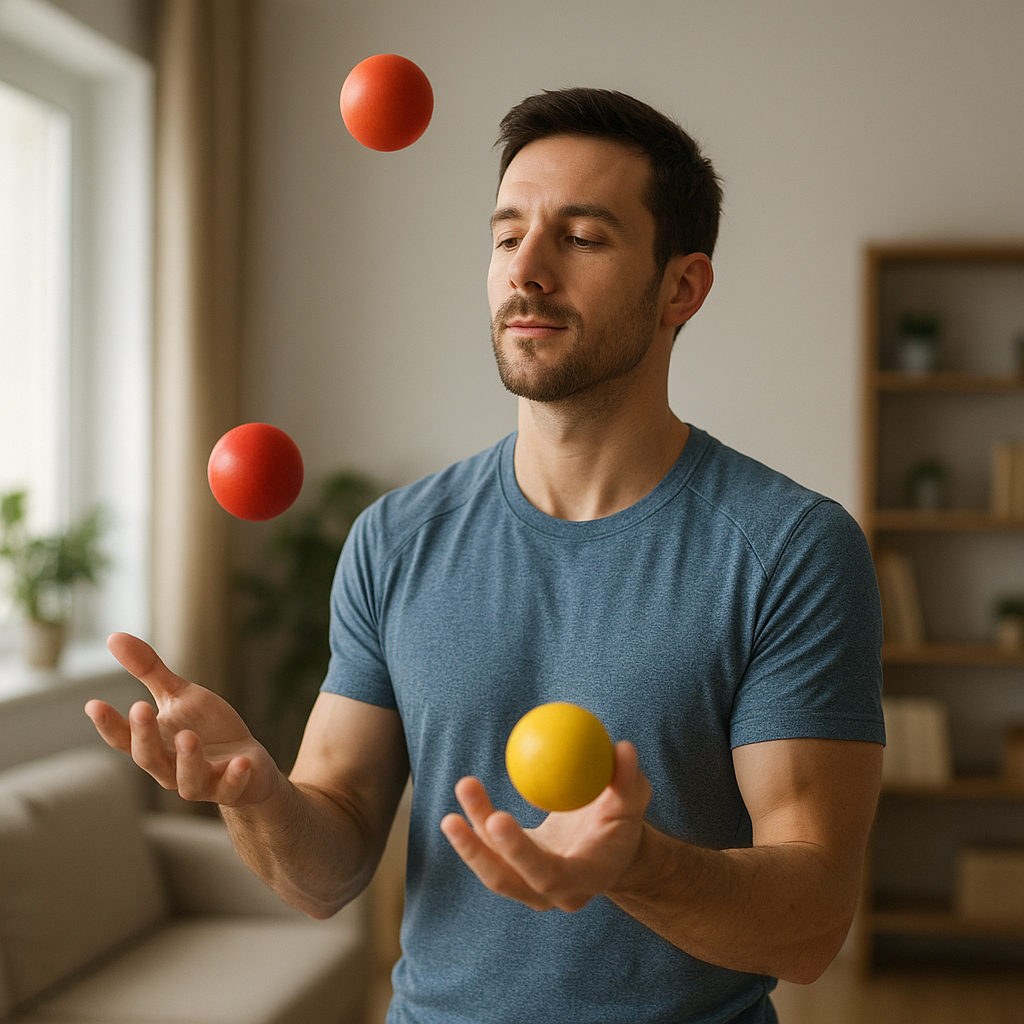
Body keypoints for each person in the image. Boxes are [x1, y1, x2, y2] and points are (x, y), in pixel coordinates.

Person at [87, 88, 885, 1024]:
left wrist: (637, 864)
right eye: (508, 237)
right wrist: (258, 796)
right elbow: (324, 872)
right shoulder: (395, 538)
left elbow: (811, 925)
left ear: (683, 287)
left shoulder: (789, 549)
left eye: (582, 238)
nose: (528, 272)